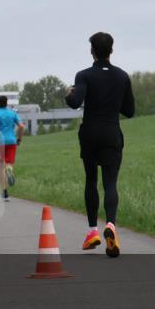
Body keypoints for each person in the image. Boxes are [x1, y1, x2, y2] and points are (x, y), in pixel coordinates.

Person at [65, 31, 135, 258]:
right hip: (112, 133)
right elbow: (130, 111)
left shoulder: (84, 75)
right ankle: (111, 226)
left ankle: (92, 231)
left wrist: (69, 95)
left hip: (90, 133)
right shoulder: (122, 77)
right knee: (110, 183)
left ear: (92, 51)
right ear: (111, 50)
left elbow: (75, 103)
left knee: (91, 181)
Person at [0, 95, 24, 201]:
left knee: (0, 167)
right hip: (11, 141)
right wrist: (19, 138)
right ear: (6, 103)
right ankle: (9, 169)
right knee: (8, 164)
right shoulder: (13, 113)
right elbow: (21, 126)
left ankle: (4, 192)